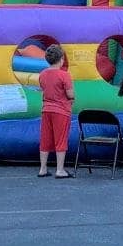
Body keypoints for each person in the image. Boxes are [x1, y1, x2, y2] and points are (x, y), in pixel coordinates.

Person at [36, 43, 75, 179]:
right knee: (60, 139)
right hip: (61, 110)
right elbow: (70, 94)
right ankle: (60, 169)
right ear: (61, 59)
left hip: (46, 109)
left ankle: (43, 168)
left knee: (45, 139)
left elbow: (43, 89)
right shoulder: (64, 75)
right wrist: (72, 98)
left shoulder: (42, 74)